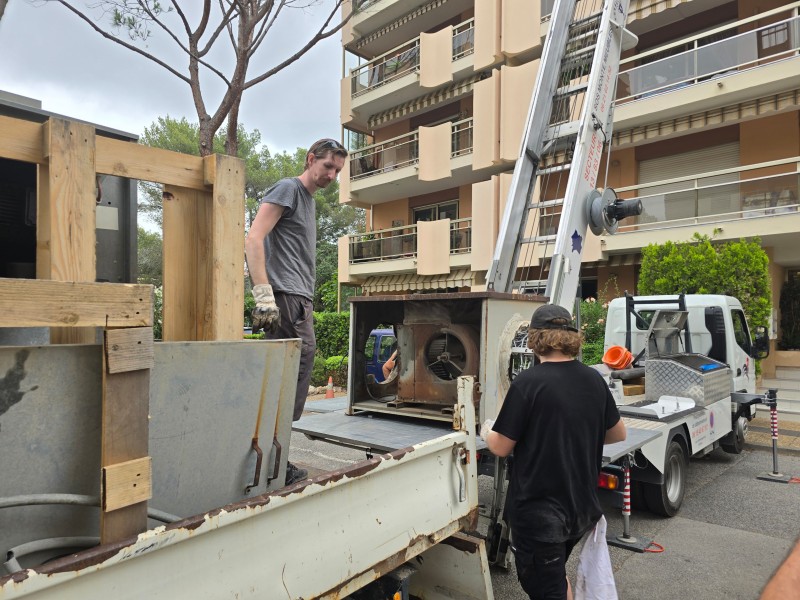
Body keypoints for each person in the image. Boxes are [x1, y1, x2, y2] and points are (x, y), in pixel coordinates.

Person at [482, 304, 627, 600]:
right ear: (571, 337)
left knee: (545, 588)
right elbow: (617, 433)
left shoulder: (528, 383)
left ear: (534, 339)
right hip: (579, 507)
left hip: (540, 516)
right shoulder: (593, 379)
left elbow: (499, 446)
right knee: (555, 577)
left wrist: (486, 430)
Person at [245, 138, 348, 486]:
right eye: (327, 167)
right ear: (310, 160)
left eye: (337, 170)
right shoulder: (289, 189)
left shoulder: (308, 201)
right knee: (292, 374)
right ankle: (276, 463)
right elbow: (254, 238)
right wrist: (263, 296)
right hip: (284, 297)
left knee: (283, 379)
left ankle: (273, 459)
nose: (332, 175)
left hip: (297, 299)